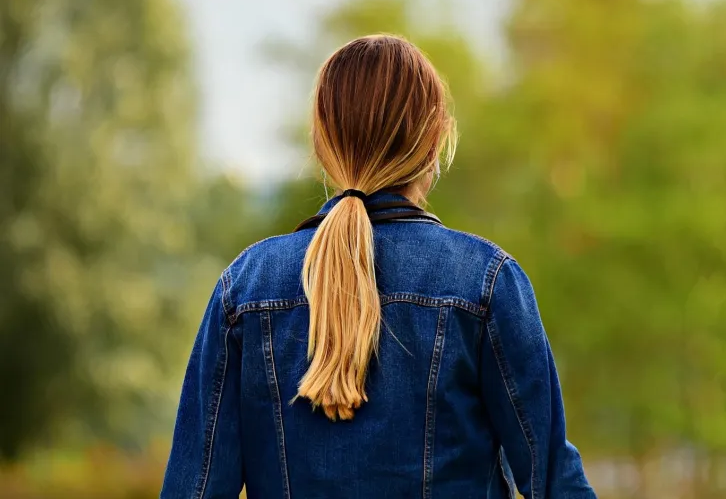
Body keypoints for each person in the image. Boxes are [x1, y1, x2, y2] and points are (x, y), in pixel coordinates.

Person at [161, 35, 596, 498]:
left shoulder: (245, 290)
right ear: (434, 144)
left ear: (322, 145)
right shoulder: (485, 283)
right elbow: (556, 484)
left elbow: (195, 489)